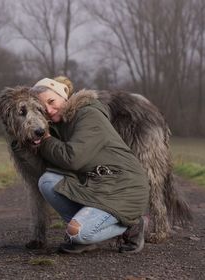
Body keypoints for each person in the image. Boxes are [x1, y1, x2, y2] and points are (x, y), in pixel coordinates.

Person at [29, 77, 150, 254]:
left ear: (64, 96)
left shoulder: (88, 114)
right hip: (97, 187)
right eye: (42, 107)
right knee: (47, 181)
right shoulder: (60, 124)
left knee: (77, 234)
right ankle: (87, 227)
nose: (48, 109)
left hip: (124, 188)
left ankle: (132, 225)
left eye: (51, 101)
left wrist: (46, 140)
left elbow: (73, 159)